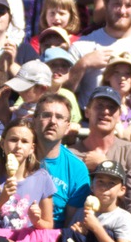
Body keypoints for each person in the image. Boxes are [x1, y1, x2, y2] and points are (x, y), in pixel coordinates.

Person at [68, 86, 131, 217]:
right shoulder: (71, 155)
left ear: (119, 116)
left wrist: (104, 164)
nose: (105, 111)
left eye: (112, 108)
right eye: (99, 106)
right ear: (87, 112)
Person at [0, 118, 55, 237]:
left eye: (25, 141)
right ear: (2, 144)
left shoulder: (42, 178)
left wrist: (37, 221)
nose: (18, 146)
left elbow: (49, 225)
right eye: (13, 140)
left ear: (32, 148)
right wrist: (3, 198)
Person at [33, 93, 90, 226]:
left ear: (67, 127)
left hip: (53, 239)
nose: (52, 121)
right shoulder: (12, 151)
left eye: (59, 117)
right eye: (46, 115)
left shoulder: (77, 170)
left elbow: (69, 224)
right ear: (34, 121)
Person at [68, 160, 131, 242]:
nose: (104, 187)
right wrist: (78, 235)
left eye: (111, 183)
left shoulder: (124, 218)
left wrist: (96, 228)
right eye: (100, 181)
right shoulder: (81, 212)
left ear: (122, 190)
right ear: (92, 186)